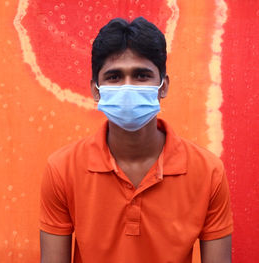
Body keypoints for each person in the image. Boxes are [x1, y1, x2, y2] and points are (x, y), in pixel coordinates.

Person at [39, 17, 233, 263]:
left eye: (141, 76)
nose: (127, 87)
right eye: (114, 77)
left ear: (163, 86)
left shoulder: (208, 172)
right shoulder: (62, 169)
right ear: (95, 90)